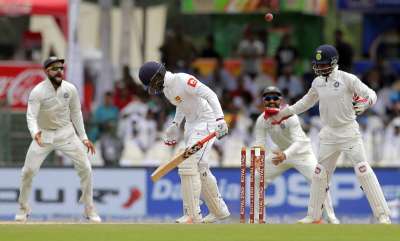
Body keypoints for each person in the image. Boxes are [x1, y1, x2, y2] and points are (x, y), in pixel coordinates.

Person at [271, 45, 391, 224]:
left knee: (363, 170)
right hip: (328, 133)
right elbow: (305, 103)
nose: (319, 68)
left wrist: (366, 104)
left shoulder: (347, 78)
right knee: (319, 173)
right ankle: (313, 216)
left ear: (334, 63)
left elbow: (371, 94)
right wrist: (282, 114)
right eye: (318, 65)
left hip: (349, 131)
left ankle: (383, 216)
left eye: (323, 64)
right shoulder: (317, 82)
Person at [138, 61, 230, 223]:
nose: (153, 88)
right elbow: (182, 105)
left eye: (152, 83)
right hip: (191, 125)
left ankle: (192, 214)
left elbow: (210, 95)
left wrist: (220, 119)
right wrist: (175, 124)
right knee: (200, 167)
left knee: (189, 163)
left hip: (206, 121)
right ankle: (219, 210)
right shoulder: (167, 89)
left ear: (158, 76)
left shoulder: (183, 80)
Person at [15, 56, 101, 222]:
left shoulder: (70, 89)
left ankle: (89, 209)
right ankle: (23, 208)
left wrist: (83, 137)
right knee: (28, 171)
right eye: (55, 69)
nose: (59, 71)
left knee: (86, 168)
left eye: (61, 68)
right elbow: (31, 116)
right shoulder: (38, 91)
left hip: (66, 133)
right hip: (44, 135)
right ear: (47, 71)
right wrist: (35, 133)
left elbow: (76, 113)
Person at [253, 86, 339, 224]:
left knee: (319, 180)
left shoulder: (290, 116)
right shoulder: (262, 120)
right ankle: (258, 219)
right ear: (263, 101)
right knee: (257, 175)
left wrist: (285, 155)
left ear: (280, 100)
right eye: (268, 98)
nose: (271, 101)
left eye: (275, 98)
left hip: (302, 153)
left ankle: (330, 218)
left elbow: (299, 142)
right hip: (279, 152)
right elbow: (260, 142)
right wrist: (257, 159)